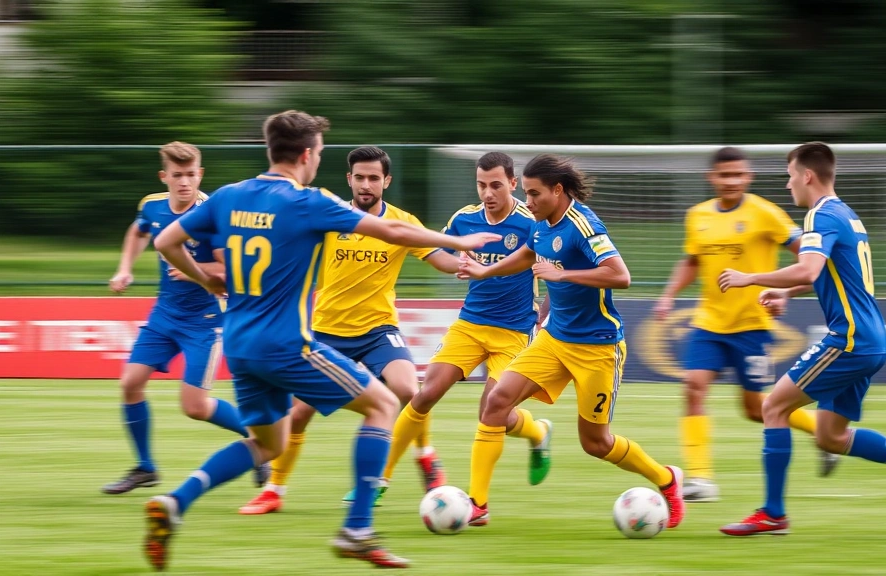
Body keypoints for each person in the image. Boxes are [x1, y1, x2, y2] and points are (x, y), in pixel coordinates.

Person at [144, 110, 500, 570]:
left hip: (238, 344)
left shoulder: (229, 196)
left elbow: (167, 242)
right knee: (383, 405)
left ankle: (175, 502)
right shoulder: (309, 201)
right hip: (287, 343)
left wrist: (207, 281)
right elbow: (391, 230)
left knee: (267, 444)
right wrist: (463, 244)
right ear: (308, 155)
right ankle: (356, 529)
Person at [717, 142, 886, 536]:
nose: (788, 183)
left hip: (848, 339)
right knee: (830, 437)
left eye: (791, 174)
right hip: (870, 339)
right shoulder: (844, 214)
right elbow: (831, 274)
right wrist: (784, 292)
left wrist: (751, 278)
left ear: (807, 176)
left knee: (774, 407)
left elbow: (809, 269)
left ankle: (773, 514)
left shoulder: (820, 216)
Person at [457, 154, 685, 529]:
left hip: (598, 346)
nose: (527, 202)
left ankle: (667, 479)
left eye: (534, 194)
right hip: (554, 339)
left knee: (595, 443)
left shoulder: (584, 224)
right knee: (496, 402)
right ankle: (477, 504)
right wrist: (485, 270)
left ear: (558, 190)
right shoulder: (540, 223)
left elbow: (620, 276)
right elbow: (528, 254)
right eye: (526, 194)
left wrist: (562, 277)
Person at [239, 145, 462, 515]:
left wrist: (464, 264)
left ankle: (426, 457)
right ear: (349, 179)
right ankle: (274, 490)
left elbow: (438, 257)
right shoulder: (330, 216)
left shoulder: (402, 222)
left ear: (386, 181)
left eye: (374, 178)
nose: (366, 184)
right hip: (326, 332)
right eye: (359, 177)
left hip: (378, 330)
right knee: (297, 415)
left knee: (410, 389)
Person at [655, 146, 837, 503]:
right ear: (712, 178)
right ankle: (701, 479)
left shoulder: (765, 213)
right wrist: (668, 294)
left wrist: (785, 291)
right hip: (708, 321)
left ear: (748, 177)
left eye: (739, 174)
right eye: (725, 175)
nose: (732, 181)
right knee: (693, 387)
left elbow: (808, 254)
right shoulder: (698, 216)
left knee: (755, 409)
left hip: (752, 325)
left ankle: (821, 434)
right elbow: (692, 261)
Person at [379, 151, 548, 502]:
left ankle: (535, 435)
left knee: (491, 411)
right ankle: (378, 482)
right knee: (424, 395)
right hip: (470, 324)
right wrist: (454, 262)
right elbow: (438, 249)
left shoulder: (532, 223)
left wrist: (546, 317)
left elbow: (559, 277)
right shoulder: (465, 219)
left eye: (496, 185)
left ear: (513, 184)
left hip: (515, 331)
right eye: (482, 185)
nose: (488, 193)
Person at [103, 142, 265, 495]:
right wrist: (125, 269)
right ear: (164, 177)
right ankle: (146, 468)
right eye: (177, 175)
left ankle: (258, 440)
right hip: (164, 314)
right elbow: (139, 230)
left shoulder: (212, 215)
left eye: (191, 175)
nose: (184, 183)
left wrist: (193, 270)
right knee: (130, 384)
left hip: (204, 321)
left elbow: (230, 270)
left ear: (200, 174)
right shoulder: (153, 205)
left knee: (194, 407)